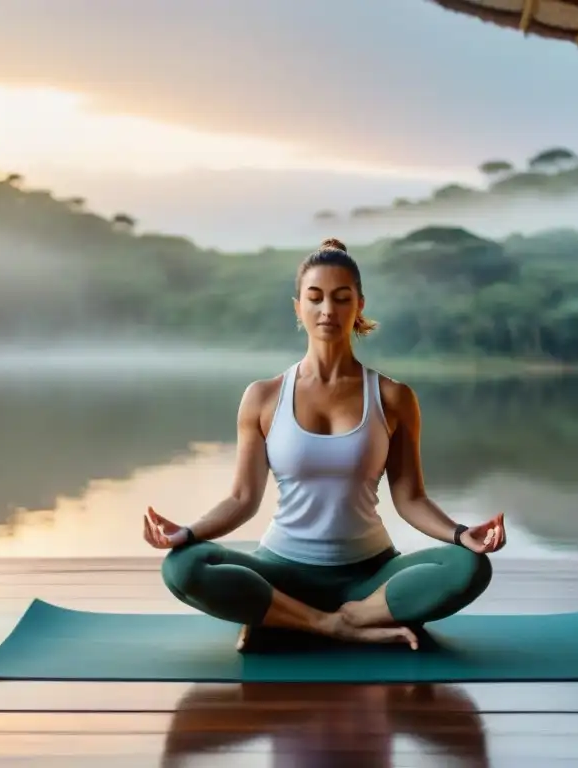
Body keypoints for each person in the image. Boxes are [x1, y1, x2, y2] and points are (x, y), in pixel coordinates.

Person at [143, 238, 505, 650]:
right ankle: (326, 625)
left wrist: (461, 534)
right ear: (297, 307)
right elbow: (243, 498)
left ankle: (322, 617)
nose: (328, 310)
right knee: (184, 566)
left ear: (360, 304)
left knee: (469, 567)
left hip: (370, 577)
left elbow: (410, 498)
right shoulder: (262, 397)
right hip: (280, 571)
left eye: (341, 297)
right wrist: (186, 532)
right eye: (314, 298)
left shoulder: (392, 397)